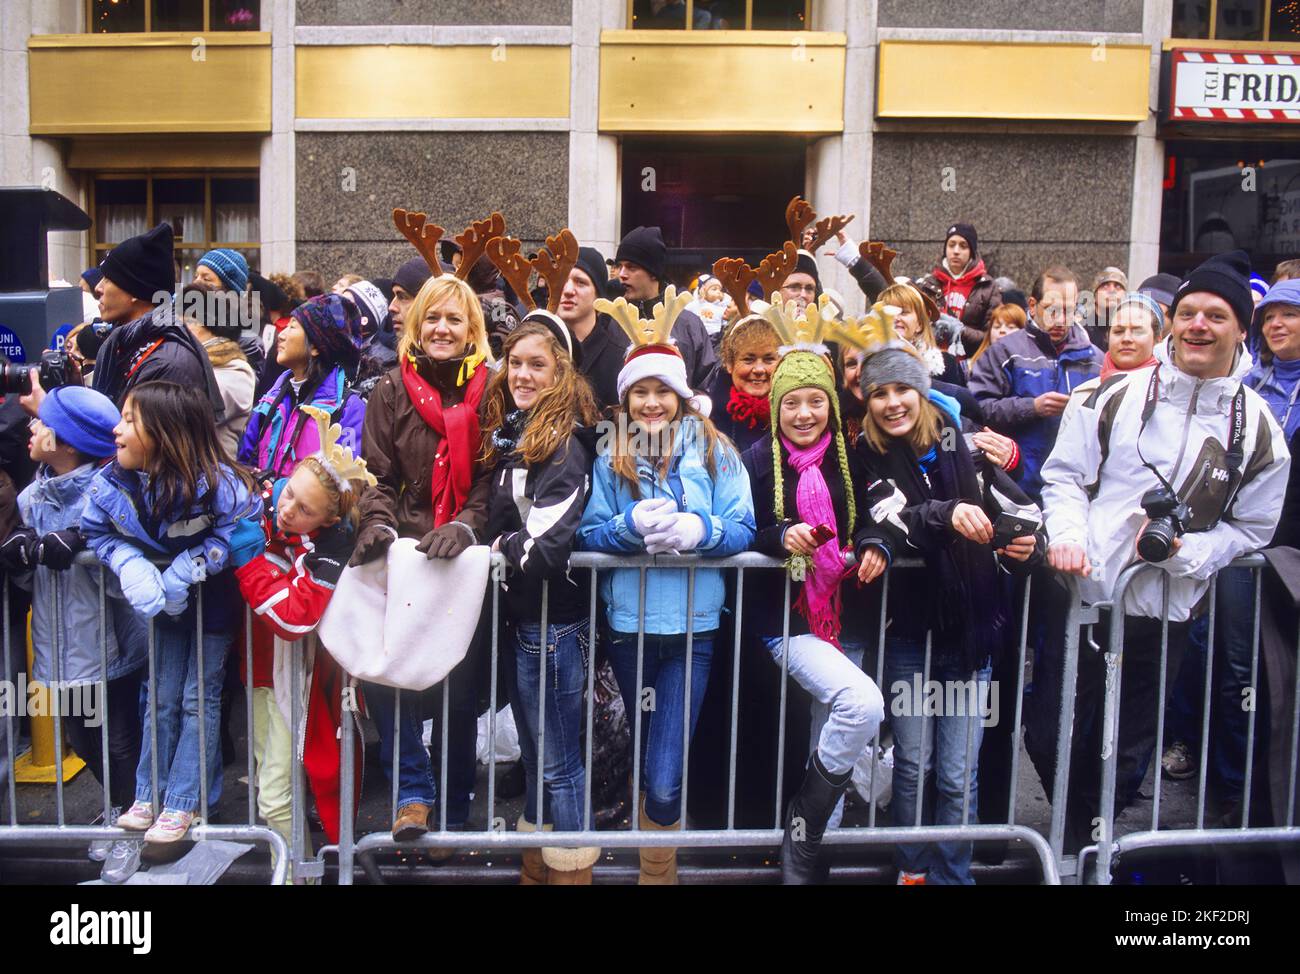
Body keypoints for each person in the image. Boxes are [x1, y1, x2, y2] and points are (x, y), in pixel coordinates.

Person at [1039, 251, 1291, 853]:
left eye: (1216, 315)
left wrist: (1189, 554)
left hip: (1166, 614)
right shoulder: (1111, 398)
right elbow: (1065, 478)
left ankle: (1082, 852)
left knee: (1126, 754)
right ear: (1172, 322)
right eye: (1188, 312)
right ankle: (1075, 839)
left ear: (1240, 329)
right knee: (1048, 735)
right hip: (1084, 599)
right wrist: (1069, 536)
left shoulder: (1257, 429)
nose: (1198, 325)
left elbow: (1254, 530)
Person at [577, 292, 755, 884]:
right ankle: (651, 856)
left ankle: (658, 870)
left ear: (681, 397)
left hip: (692, 632)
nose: (652, 403)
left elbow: (745, 527)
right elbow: (589, 529)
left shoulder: (715, 448)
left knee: (664, 771)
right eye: (640, 393)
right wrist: (628, 530)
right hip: (629, 628)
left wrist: (699, 528)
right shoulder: (610, 455)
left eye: (663, 392)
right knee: (643, 751)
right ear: (626, 398)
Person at [853, 342, 1042, 884]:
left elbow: (1022, 511)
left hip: (972, 634)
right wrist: (949, 512)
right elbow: (894, 519)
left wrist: (1029, 543)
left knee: (960, 774)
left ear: (923, 392)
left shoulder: (965, 447)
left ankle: (954, 877)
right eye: (880, 393)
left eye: (902, 389)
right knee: (914, 768)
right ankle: (912, 870)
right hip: (911, 635)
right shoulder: (866, 457)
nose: (892, 403)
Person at [82, 382, 259, 845]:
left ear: (165, 433)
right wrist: (130, 562)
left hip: (212, 607)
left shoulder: (219, 483)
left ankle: (183, 801)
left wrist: (192, 566)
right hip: (161, 608)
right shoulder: (110, 482)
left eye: (128, 420)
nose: (116, 430)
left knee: (197, 700)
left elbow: (239, 530)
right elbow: (95, 533)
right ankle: (148, 793)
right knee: (158, 697)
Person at [353, 273, 495, 842]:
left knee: (457, 691)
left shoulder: (493, 389)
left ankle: (455, 812)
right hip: (406, 558)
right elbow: (376, 474)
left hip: (463, 563)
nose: (441, 328)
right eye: (431, 318)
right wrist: (378, 523)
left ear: (471, 332)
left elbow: (492, 477)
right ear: (416, 327)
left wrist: (465, 525)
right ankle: (412, 795)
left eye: (453, 320)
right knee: (389, 675)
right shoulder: (389, 390)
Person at [740, 341, 885, 884]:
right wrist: (780, 536)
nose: (805, 414)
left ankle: (813, 859)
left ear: (830, 404)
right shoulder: (756, 460)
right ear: (777, 408)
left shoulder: (852, 455)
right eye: (793, 403)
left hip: (849, 616)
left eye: (816, 402)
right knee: (861, 705)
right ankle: (802, 827)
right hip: (788, 622)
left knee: (831, 736)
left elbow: (876, 514)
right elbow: (739, 527)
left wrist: (875, 543)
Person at [0, 386, 147, 882]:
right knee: (84, 741)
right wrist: (20, 548)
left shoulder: (112, 491)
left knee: (119, 742)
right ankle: (120, 808)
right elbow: (29, 578)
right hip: (56, 646)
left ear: (66, 443)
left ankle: (133, 829)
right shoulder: (31, 497)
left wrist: (89, 542)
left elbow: (127, 576)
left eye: (43, 423)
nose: (33, 429)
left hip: (110, 646)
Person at [1161, 277, 1300, 793]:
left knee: (1271, 674)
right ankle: (1227, 789)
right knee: (1227, 660)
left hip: (1286, 552)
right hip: (1240, 547)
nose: (1278, 324)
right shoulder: (1248, 386)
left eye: (1290, 315)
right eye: (1272, 316)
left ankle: (1260, 794)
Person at [230, 407, 376, 882]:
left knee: (275, 795)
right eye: (289, 493)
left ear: (330, 516)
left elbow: (295, 618)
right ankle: (296, 874)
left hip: (297, 682)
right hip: (257, 671)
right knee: (271, 791)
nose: (287, 508)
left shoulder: (332, 548)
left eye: (304, 509)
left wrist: (252, 562)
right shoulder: (265, 499)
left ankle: (299, 877)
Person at [481, 316, 601, 885]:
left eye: (538, 364)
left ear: (561, 372)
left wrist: (500, 543)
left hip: (554, 625)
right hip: (527, 620)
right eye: (515, 363)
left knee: (558, 764)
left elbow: (545, 549)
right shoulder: (517, 428)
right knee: (535, 756)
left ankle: (572, 871)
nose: (522, 374)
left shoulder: (567, 441)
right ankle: (538, 868)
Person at [35, 225, 224, 421]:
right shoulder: (126, 344)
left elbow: (132, 445)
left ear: (135, 291)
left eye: (108, 279)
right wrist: (74, 389)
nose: (98, 288)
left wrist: (51, 412)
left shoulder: (168, 363)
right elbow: (111, 425)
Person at [968, 265, 1102, 503]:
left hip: (1076, 493)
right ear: (1032, 305)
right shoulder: (1004, 351)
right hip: (1015, 486)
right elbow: (976, 410)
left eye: (1069, 311)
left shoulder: (1095, 359)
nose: (1060, 320)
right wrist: (1032, 407)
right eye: (1051, 310)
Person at [238, 294, 365, 479]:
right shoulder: (271, 398)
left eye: (292, 327)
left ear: (315, 346)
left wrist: (283, 493)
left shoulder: (347, 410)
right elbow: (244, 463)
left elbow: (346, 487)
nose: (281, 335)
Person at [614, 226, 719, 393]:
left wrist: (686, 416)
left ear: (653, 272)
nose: (622, 274)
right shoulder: (612, 323)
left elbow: (706, 385)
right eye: (620, 266)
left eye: (631, 267)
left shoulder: (689, 325)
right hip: (622, 420)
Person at [181, 282, 257, 457]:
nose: (180, 329)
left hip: (211, 474)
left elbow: (189, 413)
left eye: (189, 321)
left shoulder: (237, 371)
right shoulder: (189, 359)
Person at [556, 246, 630, 415]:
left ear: (598, 294)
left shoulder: (619, 355)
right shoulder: (539, 346)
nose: (567, 290)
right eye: (561, 280)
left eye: (580, 282)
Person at [707, 313, 782, 454]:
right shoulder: (708, 419)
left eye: (769, 359)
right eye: (748, 359)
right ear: (729, 363)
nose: (759, 369)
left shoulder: (793, 415)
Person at [879, 282, 964, 386]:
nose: (896, 318)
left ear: (919, 324)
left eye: (903, 312)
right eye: (889, 313)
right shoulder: (869, 361)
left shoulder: (946, 364)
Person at [933, 222, 1002, 351]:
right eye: (951, 245)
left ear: (972, 252)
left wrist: (960, 331)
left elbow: (992, 336)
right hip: (932, 361)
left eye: (963, 246)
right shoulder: (929, 284)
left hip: (970, 363)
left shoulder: (988, 288)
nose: (956, 251)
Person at [966, 302, 1027, 368]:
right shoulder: (969, 368)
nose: (1002, 330)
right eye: (997, 327)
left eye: (1010, 327)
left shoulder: (1034, 370)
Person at [1087, 266, 1128, 350]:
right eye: (1105, 286)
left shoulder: (1131, 331)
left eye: (1118, 287)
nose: (1112, 290)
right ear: (1095, 295)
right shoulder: (1082, 332)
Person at [687, 274, 730, 346]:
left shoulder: (722, 306)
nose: (718, 292)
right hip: (696, 335)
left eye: (719, 289)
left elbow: (725, 323)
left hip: (714, 337)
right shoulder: (696, 304)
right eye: (714, 289)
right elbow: (685, 315)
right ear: (703, 290)